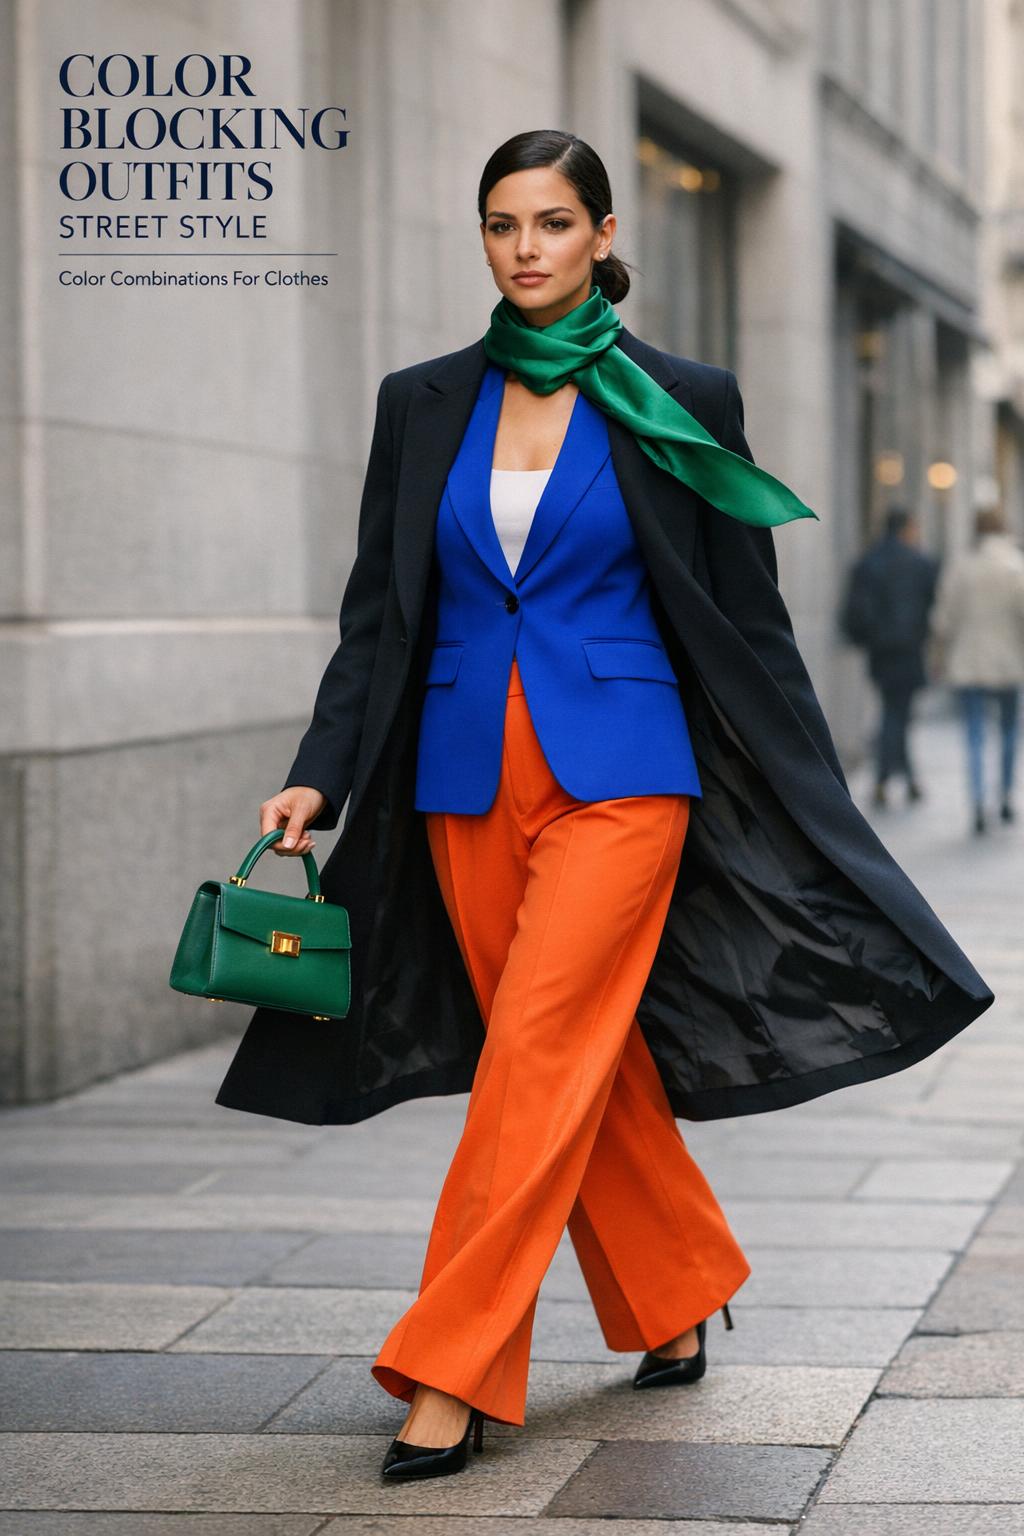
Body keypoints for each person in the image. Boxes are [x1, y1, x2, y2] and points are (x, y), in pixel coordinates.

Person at [214, 130, 994, 1484]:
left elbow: (746, 617)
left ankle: (450, 1367)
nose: (527, 247)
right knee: (577, 1054)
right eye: (503, 224)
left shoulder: (675, 396)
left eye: (554, 222)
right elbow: (380, 613)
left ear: (602, 232)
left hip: (625, 776)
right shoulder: (424, 402)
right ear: (485, 240)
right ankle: (679, 1285)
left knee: (533, 1055)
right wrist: (319, 768)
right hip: (459, 775)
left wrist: (810, 786)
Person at [928, 507, 1024, 834]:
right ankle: (1006, 795)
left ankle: (978, 802)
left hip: (968, 662)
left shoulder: (961, 567)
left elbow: (943, 620)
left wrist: (938, 657)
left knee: (974, 734)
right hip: (1009, 663)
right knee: (1010, 731)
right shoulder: (1015, 566)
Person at [839, 507, 940, 808]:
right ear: (906, 529)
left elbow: (855, 608)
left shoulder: (869, 562)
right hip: (908, 649)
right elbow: (931, 607)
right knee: (898, 713)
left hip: (880, 650)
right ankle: (891, 779)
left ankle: (897, 779)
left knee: (893, 711)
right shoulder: (920, 563)